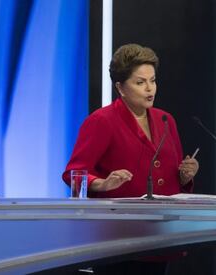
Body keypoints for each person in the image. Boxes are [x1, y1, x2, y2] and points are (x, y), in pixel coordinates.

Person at [62, 44, 199, 274]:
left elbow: (170, 175)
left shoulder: (166, 120)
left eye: (153, 80)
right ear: (120, 87)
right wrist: (103, 183)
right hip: (117, 239)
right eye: (140, 82)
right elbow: (73, 174)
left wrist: (186, 174)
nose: (150, 89)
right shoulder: (102, 121)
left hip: (160, 235)